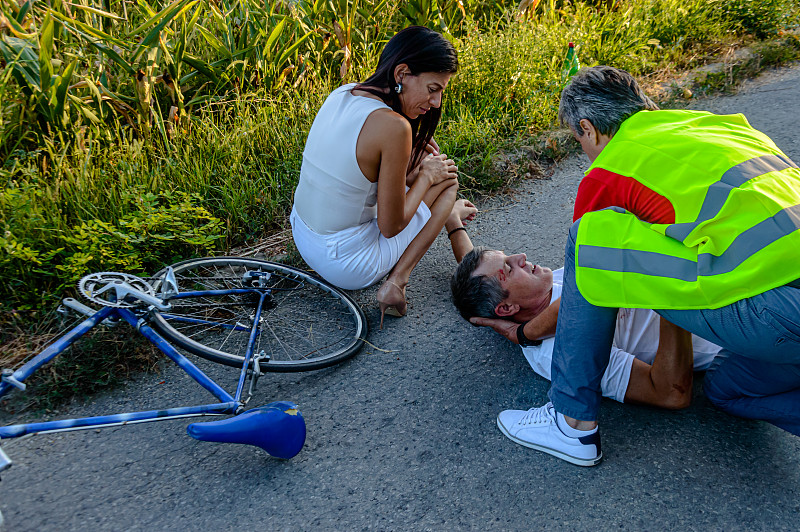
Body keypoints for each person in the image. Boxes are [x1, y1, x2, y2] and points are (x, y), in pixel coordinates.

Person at [493, 65, 800, 467]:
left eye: (578, 140)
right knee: (728, 389)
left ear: (588, 129)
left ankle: (570, 422)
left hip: (779, 313)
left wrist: (524, 332)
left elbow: (591, 278)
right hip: (786, 309)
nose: (585, 152)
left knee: (587, 240)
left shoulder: (609, 172)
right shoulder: (717, 124)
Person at [291, 26, 473, 327]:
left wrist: (412, 163)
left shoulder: (344, 93)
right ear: (402, 73)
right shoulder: (394, 126)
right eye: (433, 89)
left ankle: (446, 214)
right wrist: (426, 178)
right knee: (446, 181)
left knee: (424, 169)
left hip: (303, 234)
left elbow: (354, 174)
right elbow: (391, 227)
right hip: (345, 264)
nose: (437, 102)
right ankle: (398, 281)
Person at [448, 243, 721, 409]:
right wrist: (671, 293)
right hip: (724, 329)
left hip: (716, 271)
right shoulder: (559, 353)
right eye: (509, 268)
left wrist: (455, 225)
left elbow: (478, 287)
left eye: (508, 256)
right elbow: (669, 394)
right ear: (507, 309)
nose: (521, 256)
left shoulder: (544, 286)